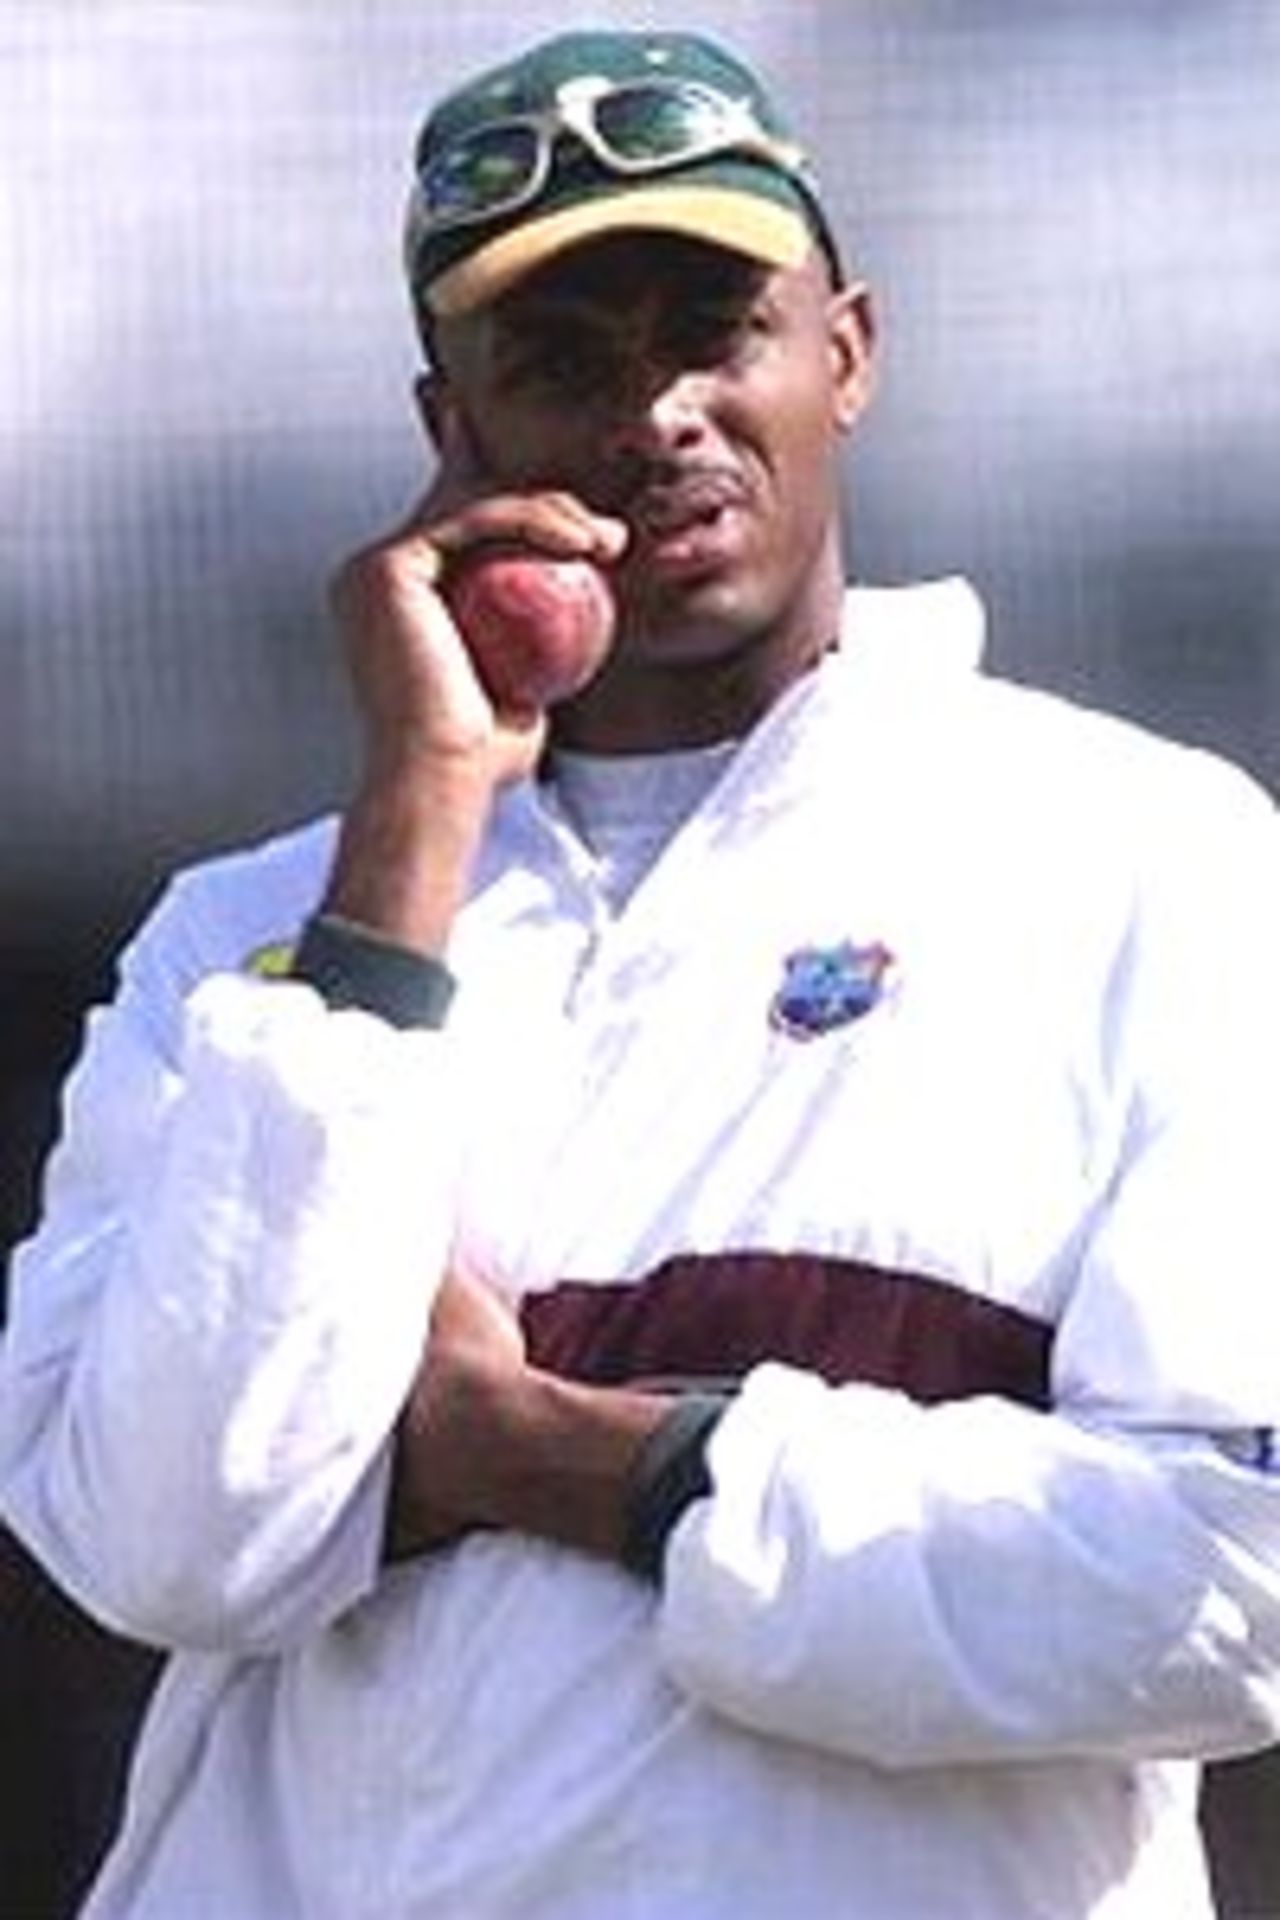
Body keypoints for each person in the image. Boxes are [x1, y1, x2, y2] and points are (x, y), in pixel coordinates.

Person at [2, 25, 1279, 1919]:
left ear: (844, 351)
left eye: (711, 328)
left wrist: (579, 1461)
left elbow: (1226, 1585)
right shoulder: (240, 942)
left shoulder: (1144, 857)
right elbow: (164, 1543)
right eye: (563, 360)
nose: (656, 408)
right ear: (453, 430)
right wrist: (412, 832)